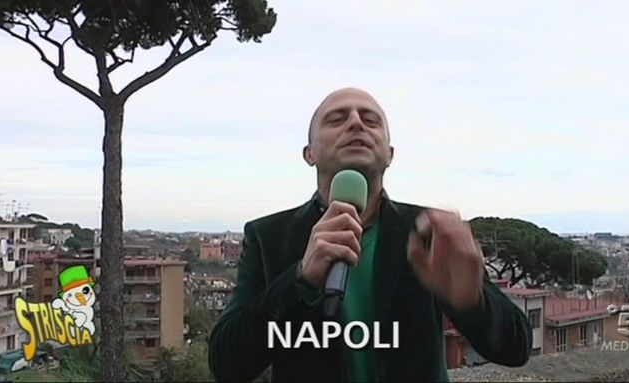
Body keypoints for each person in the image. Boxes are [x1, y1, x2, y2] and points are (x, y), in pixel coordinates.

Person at [208, 87, 533, 382]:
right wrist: (300, 280)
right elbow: (226, 365)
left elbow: (516, 349)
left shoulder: (428, 229)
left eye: (371, 120)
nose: (355, 123)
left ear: (389, 154)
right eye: (336, 119)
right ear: (310, 153)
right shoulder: (267, 236)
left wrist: (471, 301)